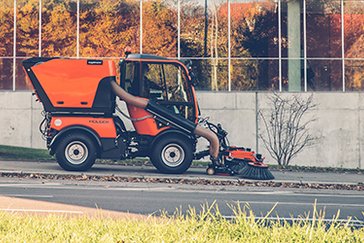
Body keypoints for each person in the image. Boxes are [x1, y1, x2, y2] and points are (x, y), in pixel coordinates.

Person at [110, 81, 220, 164]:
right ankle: (215, 157)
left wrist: (160, 87)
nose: (147, 70)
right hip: (152, 112)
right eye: (146, 68)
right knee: (171, 110)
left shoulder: (141, 82)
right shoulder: (140, 85)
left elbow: (152, 85)